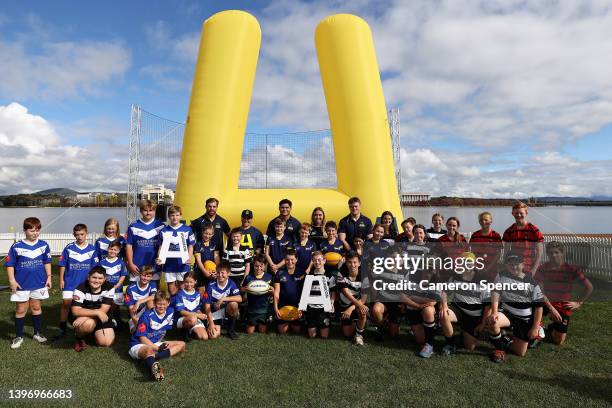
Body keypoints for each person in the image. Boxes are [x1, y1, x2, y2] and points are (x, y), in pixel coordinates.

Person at [486, 254, 545, 362]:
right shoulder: (501, 275)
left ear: (523, 265)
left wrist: (535, 327)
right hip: (507, 313)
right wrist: (494, 312)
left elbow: (539, 308)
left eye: (516, 264)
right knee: (492, 321)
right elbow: (495, 293)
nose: (513, 267)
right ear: (506, 265)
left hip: (524, 319)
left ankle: (504, 337)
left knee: (520, 352)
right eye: (510, 264)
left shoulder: (531, 283)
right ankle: (499, 350)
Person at [5, 217, 52, 349]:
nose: (35, 233)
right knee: (21, 309)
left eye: (37, 230)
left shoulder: (44, 245)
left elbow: (47, 262)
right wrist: (12, 280)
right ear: (25, 231)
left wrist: (48, 277)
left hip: (39, 282)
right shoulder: (16, 246)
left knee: (36, 307)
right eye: (31, 230)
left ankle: (37, 333)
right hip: (21, 284)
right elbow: (10, 265)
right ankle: (18, 336)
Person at [537, 241, 593, 345]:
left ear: (562, 253)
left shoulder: (571, 269)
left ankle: (551, 328)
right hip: (546, 302)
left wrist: (579, 303)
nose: (553, 255)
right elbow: (540, 292)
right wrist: (551, 309)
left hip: (562, 305)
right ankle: (537, 325)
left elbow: (589, 287)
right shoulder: (542, 268)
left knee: (559, 341)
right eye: (550, 253)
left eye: (556, 252)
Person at [438, 252, 492, 355]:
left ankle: (463, 334)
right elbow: (444, 292)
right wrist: (444, 306)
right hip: (458, 309)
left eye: (469, 262)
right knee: (444, 314)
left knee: (470, 347)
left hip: (474, 316)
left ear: (475, 264)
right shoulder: (455, 275)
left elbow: (487, 306)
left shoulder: (483, 279)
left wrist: (482, 324)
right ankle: (450, 344)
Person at [128, 291, 185, 381]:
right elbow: (142, 338)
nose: (162, 306)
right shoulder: (146, 316)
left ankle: (151, 358)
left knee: (182, 345)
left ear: (168, 303)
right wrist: (158, 348)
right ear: (154, 303)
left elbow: (164, 329)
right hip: (138, 343)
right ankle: (155, 367)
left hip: (156, 342)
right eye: (159, 304)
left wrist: (161, 343)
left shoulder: (170, 312)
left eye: (164, 304)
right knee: (149, 350)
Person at [55, 223, 98, 340]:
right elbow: (63, 265)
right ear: (74, 235)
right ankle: (62, 328)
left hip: (85, 284)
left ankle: (81, 327)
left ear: (86, 234)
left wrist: (93, 282)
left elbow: (94, 268)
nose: (79, 237)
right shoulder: (69, 248)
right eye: (77, 234)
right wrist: (61, 280)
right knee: (66, 304)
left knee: (83, 305)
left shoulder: (92, 249)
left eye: (82, 234)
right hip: (70, 282)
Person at [70, 266, 116, 351]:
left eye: (100, 278)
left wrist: (86, 316)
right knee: (88, 324)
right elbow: (75, 311)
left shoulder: (109, 287)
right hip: (86, 317)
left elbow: (103, 310)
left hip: (98, 316)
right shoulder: (80, 289)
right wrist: (97, 313)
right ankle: (79, 337)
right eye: (94, 277)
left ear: (104, 279)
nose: (96, 281)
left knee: (106, 343)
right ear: (88, 277)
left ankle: (93, 332)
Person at [402, 265, 441, 358]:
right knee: (420, 341)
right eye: (427, 268)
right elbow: (402, 296)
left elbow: (433, 301)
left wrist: (413, 297)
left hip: (425, 308)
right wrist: (418, 305)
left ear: (435, 270)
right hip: (413, 309)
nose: (428, 272)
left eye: (431, 269)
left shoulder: (437, 280)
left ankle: (430, 345)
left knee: (428, 310)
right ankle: (432, 330)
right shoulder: (411, 274)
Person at [156, 205, 195, 296]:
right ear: (169, 216)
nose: (175, 217)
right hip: (169, 264)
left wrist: (189, 258)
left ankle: (182, 307)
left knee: (182, 287)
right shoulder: (164, 230)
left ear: (180, 216)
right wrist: (159, 258)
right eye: (172, 215)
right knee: (172, 289)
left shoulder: (187, 229)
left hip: (182, 264)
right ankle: (174, 307)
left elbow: (190, 245)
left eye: (177, 215)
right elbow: (161, 247)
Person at [125, 199, 165, 284]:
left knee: (153, 295)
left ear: (154, 211)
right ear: (141, 211)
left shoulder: (161, 226)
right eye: (145, 210)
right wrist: (131, 264)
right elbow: (129, 246)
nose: (148, 213)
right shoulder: (133, 226)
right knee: (135, 294)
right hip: (137, 268)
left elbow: (164, 246)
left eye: (151, 210)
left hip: (155, 267)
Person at [502, 202, 544, 276]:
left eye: (521, 213)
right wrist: (506, 267)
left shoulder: (534, 230)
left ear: (526, 213)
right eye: (516, 213)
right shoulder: (509, 231)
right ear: (512, 213)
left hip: (530, 268)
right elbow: (506, 251)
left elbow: (539, 252)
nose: (518, 215)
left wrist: (533, 270)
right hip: (514, 268)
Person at [336, 251, 368, 345]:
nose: (352, 265)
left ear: (359, 263)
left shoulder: (365, 275)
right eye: (349, 262)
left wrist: (351, 308)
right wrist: (349, 307)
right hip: (345, 303)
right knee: (347, 333)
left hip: (358, 302)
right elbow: (346, 293)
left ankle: (359, 335)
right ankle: (358, 322)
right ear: (346, 263)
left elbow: (364, 298)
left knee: (362, 311)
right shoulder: (340, 273)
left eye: (355, 262)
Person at [204, 261, 242, 340]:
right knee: (213, 336)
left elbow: (239, 298)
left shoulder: (231, 283)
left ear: (228, 273)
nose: (220, 275)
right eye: (218, 272)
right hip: (214, 313)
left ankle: (230, 330)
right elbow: (206, 306)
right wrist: (211, 323)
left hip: (225, 311)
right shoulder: (210, 285)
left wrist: (223, 298)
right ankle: (221, 324)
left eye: (222, 273)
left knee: (234, 304)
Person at [305, 251, 337, 339]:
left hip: (323, 309)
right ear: (312, 261)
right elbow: (306, 293)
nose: (317, 262)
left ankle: (324, 323)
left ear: (324, 261)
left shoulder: (330, 275)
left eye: (319, 260)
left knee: (324, 336)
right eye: (315, 260)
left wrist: (332, 303)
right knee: (312, 336)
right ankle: (312, 323)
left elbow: (333, 291)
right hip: (311, 307)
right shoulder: (309, 275)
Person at [273, 249, 305, 335]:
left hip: (297, 306)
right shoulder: (279, 273)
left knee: (297, 330)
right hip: (283, 306)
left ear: (296, 259)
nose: (289, 262)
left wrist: (302, 308)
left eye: (292, 259)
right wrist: (276, 308)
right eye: (287, 259)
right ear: (284, 260)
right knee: (282, 331)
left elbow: (305, 292)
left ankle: (293, 322)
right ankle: (286, 322)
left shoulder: (302, 273)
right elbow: (276, 292)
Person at [98, 240, 128, 329]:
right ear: (108, 249)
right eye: (111, 249)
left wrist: (118, 285)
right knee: (106, 304)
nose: (112, 251)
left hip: (117, 289)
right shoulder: (101, 263)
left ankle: (112, 318)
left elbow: (123, 275)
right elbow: (100, 276)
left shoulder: (121, 262)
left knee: (115, 305)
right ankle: (108, 320)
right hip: (106, 289)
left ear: (118, 251)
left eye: (115, 250)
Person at [242, 254, 274, 334]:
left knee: (262, 331)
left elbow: (274, 292)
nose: (259, 268)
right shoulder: (249, 277)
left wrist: (272, 290)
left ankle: (262, 322)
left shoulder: (269, 277)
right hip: (251, 309)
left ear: (265, 265)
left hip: (264, 309)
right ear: (253, 265)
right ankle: (250, 321)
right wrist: (244, 289)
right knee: (249, 332)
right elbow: (242, 289)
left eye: (261, 266)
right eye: (256, 266)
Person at [173, 272, 208, 341]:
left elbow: (197, 308)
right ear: (183, 282)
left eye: (191, 282)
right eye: (186, 282)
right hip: (182, 319)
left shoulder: (197, 294)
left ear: (195, 282)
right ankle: (184, 331)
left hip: (194, 318)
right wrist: (198, 316)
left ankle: (191, 331)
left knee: (204, 337)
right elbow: (182, 312)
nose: (189, 284)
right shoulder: (180, 294)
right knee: (193, 319)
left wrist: (201, 314)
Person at [469, 212, 502, 282]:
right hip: (476, 271)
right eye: (481, 220)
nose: (483, 222)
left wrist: (488, 268)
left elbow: (498, 254)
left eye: (486, 220)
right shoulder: (475, 235)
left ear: (491, 221)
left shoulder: (496, 236)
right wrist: (476, 267)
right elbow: (471, 253)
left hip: (491, 272)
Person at [125, 265, 158, 333]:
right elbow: (131, 309)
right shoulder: (130, 288)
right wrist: (137, 323)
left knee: (151, 302)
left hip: (147, 314)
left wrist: (139, 301)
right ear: (139, 275)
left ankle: (153, 326)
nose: (145, 278)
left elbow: (154, 296)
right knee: (140, 333)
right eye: (143, 275)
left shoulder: (152, 284)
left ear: (152, 277)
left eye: (148, 276)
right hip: (136, 316)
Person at [193, 223, 220, 295]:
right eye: (206, 233)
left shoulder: (214, 244)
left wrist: (217, 270)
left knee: (210, 291)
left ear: (213, 234)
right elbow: (198, 261)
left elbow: (216, 259)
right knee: (201, 291)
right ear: (202, 232)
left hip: (212, 272)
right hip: (200, 271)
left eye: (210, 234)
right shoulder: (197, 244)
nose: (207, 236)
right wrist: (205, 272)